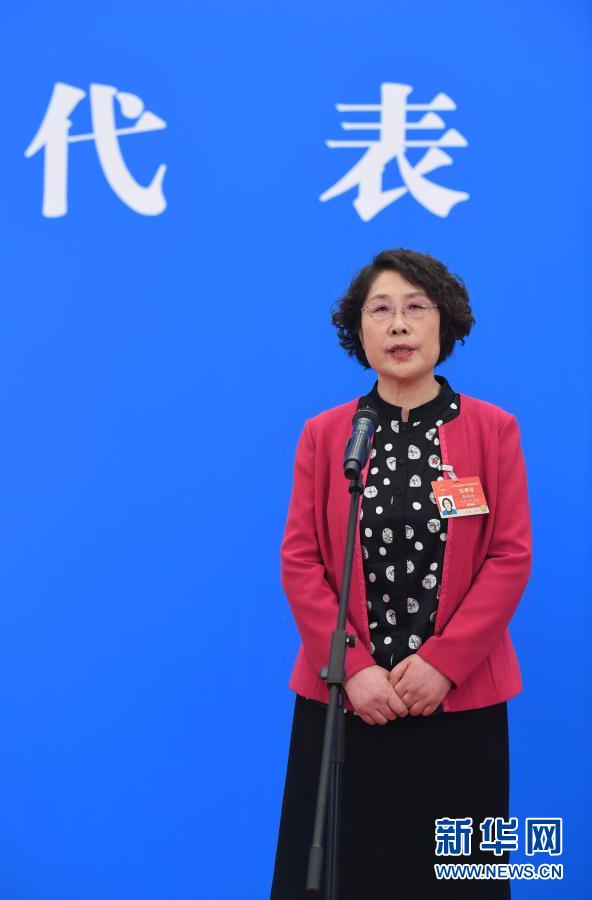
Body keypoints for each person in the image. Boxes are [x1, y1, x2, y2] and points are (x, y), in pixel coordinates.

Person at [270, 249, 533, 899]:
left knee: (462, 880)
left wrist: (444, 663)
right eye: (380, 310)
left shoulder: (492, 430)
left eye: (416, 307)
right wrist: (354, 669)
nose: (398, 324)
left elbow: (508, 556)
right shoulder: (327, 435)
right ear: (358, 330)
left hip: (460, 705)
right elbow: (301, 561)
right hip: (347, 703)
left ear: (446, 323)